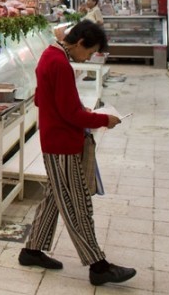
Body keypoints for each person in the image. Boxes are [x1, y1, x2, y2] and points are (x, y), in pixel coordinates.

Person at [19, 21, 136, 287]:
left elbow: (41, 98)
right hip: (62, 143)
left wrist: (75, 106)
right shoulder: (59, 63)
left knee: (54, 197)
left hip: (54, 138)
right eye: (90, 51)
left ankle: (32, 251)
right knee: (76, 205)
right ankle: (98, 265)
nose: (88, 57)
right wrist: (104, 119)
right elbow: (70, 114)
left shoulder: (51, 55)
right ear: (80, 42)